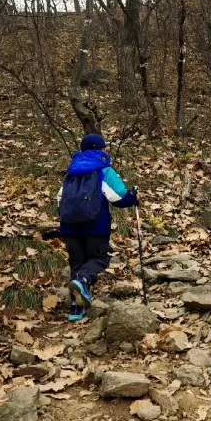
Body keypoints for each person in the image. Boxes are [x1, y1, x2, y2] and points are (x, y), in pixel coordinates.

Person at [57, 133, 138, 321]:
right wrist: (133, 196)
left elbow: (59, 199)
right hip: (95, 226)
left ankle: (76, 310)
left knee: (77, 263)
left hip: (69, 227)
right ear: (100, 150)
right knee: (99, 259)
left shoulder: (71, 172)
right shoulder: (104, 171)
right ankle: (83, 280)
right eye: (104, 147)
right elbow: (118, 198)